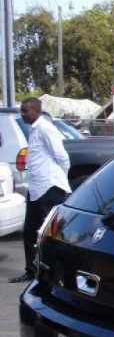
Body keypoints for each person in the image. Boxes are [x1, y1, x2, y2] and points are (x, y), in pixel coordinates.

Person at [9, 98, 71, 283]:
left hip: (49, 188)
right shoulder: (33, 129)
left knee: (52, 234)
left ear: (36, 110)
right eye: (21, 110)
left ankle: (58, 273)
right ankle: (31, 271)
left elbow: (62, 157)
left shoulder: (46, 128)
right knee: (30, 233)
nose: (22, 114)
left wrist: (59, 179)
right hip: (35, 189)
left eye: (25, 110)